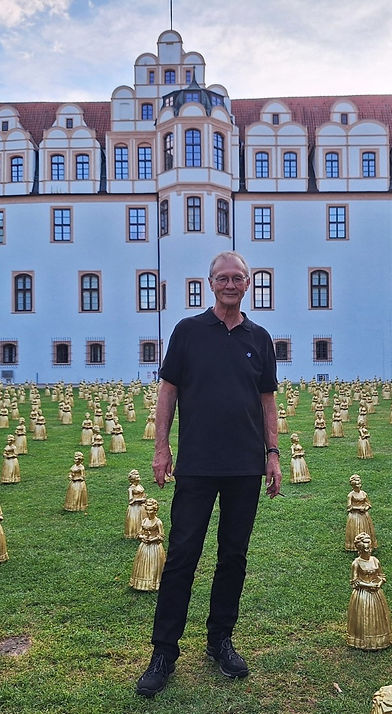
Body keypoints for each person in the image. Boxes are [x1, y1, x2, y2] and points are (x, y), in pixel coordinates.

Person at [136, 250, 281, 698]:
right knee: (182, 557)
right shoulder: (188, 332)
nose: (231, 284)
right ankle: (164, 651)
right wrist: (161, 448)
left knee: (233, 557)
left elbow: (267, 400)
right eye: (223, 278)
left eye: (239, 278)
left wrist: (272, 453)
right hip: (197, 466)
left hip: (245, 466)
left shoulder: (260, 337)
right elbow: (168, 392)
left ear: (248, 283)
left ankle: (220, 640)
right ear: (210, 282)